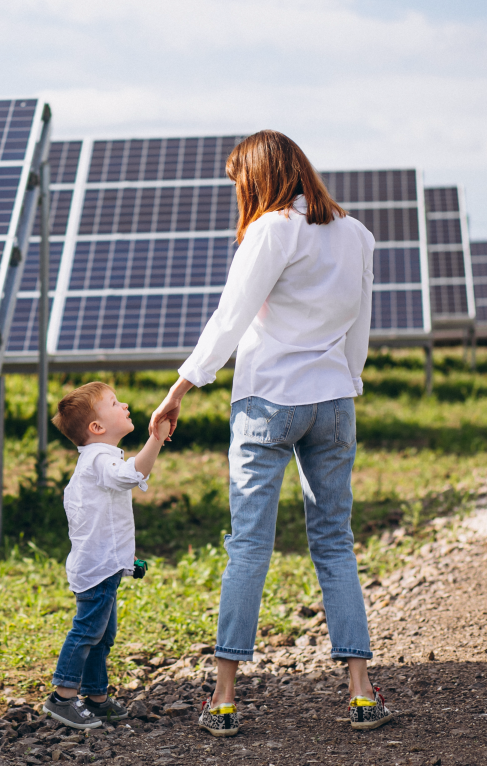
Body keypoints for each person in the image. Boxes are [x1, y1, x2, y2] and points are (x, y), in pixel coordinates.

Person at [148, 130, 392, 737]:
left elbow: (231, 316)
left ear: (258, 177)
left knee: (250, 546)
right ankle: (362, 692)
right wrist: (348, 380)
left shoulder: (271, 229)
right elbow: (360, 322)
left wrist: (181, 388)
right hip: (334, 401)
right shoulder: (357, 234)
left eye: (239, 181)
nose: (237, 192)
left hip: (268, 402)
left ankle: (224, 699)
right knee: (335, 542)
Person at [42, 382, 169, 730]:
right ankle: (62, 697)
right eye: (115, 403)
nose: (124, 405)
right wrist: (155, 439)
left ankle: (96, 697)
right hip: (97, 570)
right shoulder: (99, 459)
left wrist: (128, 563)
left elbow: (108, 521)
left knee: (102, 635)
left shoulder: (100, 459)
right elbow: (132, 476)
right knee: (87, 632)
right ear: (97, 428)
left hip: (105, 567)